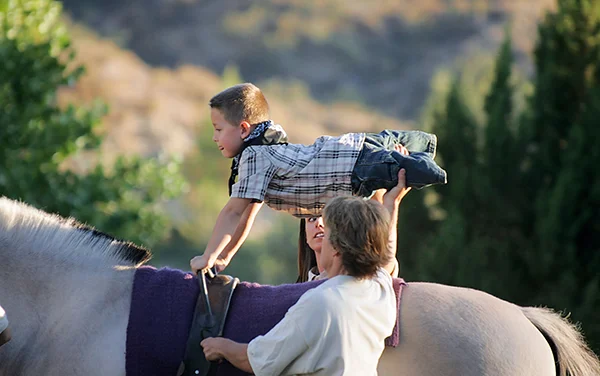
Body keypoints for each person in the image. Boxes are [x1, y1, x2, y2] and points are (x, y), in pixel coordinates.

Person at [190, 82, 446, 274]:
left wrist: (208, 256)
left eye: (218, 129)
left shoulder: (255, 156)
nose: (214, 138)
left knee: (411, 169)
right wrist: (225, 257)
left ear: (244, 129)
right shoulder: (260, 156)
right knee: (399, 147)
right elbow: (246, 215)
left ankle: (431, 159)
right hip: (355, 168)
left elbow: (232, 213)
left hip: (354, 164)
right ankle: (424, 147)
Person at [201, 194, 398, 375]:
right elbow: (384, 258)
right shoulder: (378, 288)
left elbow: (259, 360)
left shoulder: (320, 302)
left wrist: (220, 346)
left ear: (337, 247)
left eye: (326, 233)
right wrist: (392, 203)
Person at [298, 168, 411, 282]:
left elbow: (384, 263)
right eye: (312, 218)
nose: (319, 223)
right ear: (305, 235)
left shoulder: (362, 282)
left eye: (327, 220)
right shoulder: (296, 293)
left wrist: (391, 202)